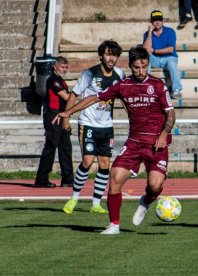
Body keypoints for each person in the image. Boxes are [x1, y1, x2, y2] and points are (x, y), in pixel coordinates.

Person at [52, 46, 176, 235]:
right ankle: (114, 225)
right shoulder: (123, 85)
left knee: (155, 186)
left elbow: (171, 114)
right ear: (131, 66)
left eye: (144, 66)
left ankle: (146, 201)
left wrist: (163, 134)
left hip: (156, 144)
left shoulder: (157, 85)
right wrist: (68, 112)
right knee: (115, 178)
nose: (141, 71)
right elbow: (95, 97)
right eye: (136, 67)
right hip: (134, 143)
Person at [62, 40, 125, 214]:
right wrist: (66, 118)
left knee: (105, 164)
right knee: (88, 161)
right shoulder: (89, 74)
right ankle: (74, 198)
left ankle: (96, 204)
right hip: (88, 123)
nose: (111, 58)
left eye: (114, 55)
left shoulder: (120, 74)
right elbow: (73, 95)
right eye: (107, 54)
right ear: (101, 55)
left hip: (107, 125)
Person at [34, 56, 74, 188]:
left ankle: (68, 179)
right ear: (55, 67)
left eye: (66, 67)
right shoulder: (53, 80)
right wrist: (78, 97)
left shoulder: (61, 81)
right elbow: (67, 97)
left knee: (66, 147)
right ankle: (41, 179)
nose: (65, 69)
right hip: (53, 115)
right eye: (62, 67)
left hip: (62, 116)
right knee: (51, 146)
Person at [143, 10, 183, 99]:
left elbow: (170, 49)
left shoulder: (170, 31)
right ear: (151, 22)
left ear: (162, 21)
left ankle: (177, 90)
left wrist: (154, 50)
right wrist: (149, 33)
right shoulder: (147, 33)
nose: (157, 22)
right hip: (154, 59)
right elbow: (146, 49)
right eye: (155, 20)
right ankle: (146, 87)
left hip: (168, 58)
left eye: (159, 20)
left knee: (172, 63)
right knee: (145, 57)